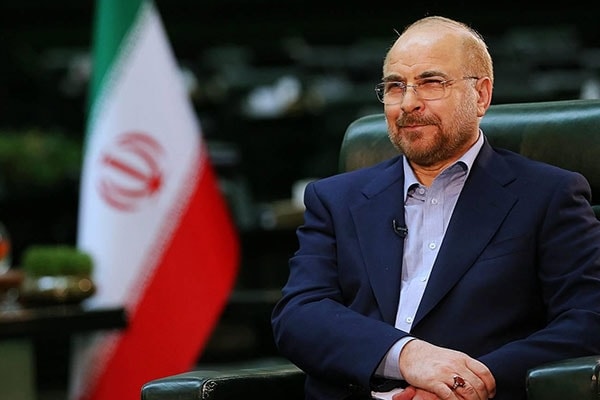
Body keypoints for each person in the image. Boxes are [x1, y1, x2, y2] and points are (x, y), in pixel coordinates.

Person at [271, 15, 600, 400]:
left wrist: (465, 385)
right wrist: (406, 356)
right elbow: (300, 314)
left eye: (431, 82)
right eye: (395, 86)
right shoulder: (335, 198)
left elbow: (587, 320)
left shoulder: (548, 195)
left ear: (481, 95)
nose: (408, 102)